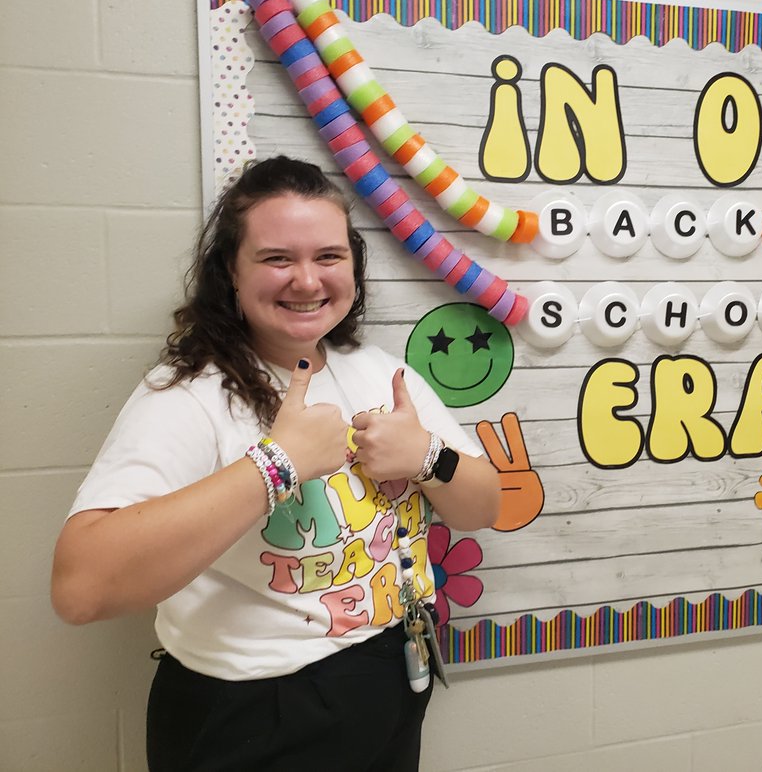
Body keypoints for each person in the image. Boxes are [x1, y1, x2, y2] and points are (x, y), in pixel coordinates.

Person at [51, 155, 500, 771]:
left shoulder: (378, 370)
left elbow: (484, 507)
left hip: (388, 675)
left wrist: (427, 457)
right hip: (257, 710)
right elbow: (81, 589)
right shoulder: (190, 392)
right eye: (276, 259)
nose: (307, 280)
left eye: (328, 257)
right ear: (230, 273)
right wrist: (278, 465)